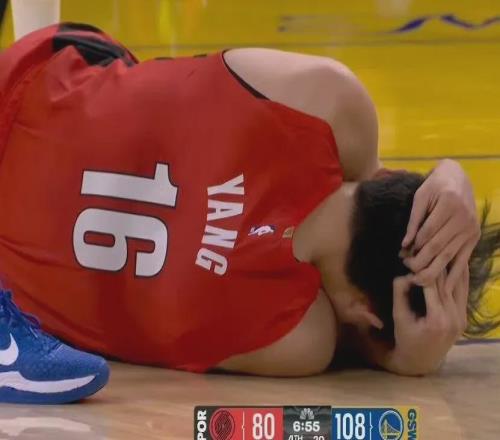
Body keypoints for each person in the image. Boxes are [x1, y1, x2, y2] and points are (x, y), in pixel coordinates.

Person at [0, 23, 497, 403]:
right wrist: (403, 359)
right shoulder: (301, 339)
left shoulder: (330, 101)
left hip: (25, 77)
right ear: (366, 312)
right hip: (9, 271)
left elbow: (366, 178)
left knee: (149, 87)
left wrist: (448, 175)